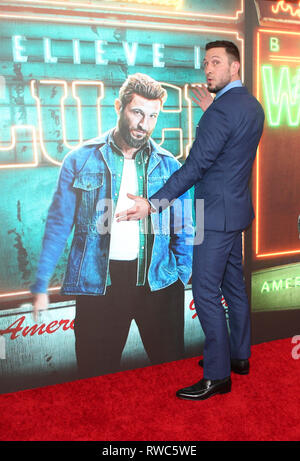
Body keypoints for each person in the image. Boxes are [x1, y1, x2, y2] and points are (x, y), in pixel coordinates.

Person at [116, 41, 265, 400]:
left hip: (214, 216)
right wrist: (213, 109)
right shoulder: (251, 106)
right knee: (233, 289)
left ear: (235, 67)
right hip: (236, 212)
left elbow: (195, 168)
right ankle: (239, 357)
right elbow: (231, 149)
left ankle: (217, 376)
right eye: (205, 63)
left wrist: (152, 205)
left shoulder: (219, 113)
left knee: (205, 293)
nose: (208, 70)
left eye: (216, 62)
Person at [31, 73, 193, 378]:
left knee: (172, 375)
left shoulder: (169, 164)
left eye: (153, 116)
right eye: (137, 112)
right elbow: (58, 224)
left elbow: (184, 227)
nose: (144, 124)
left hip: (157, 284)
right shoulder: (80, 160)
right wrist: (41, 282)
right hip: (100, 285)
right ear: (119, 106)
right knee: (95, 378)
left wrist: (180, 275)